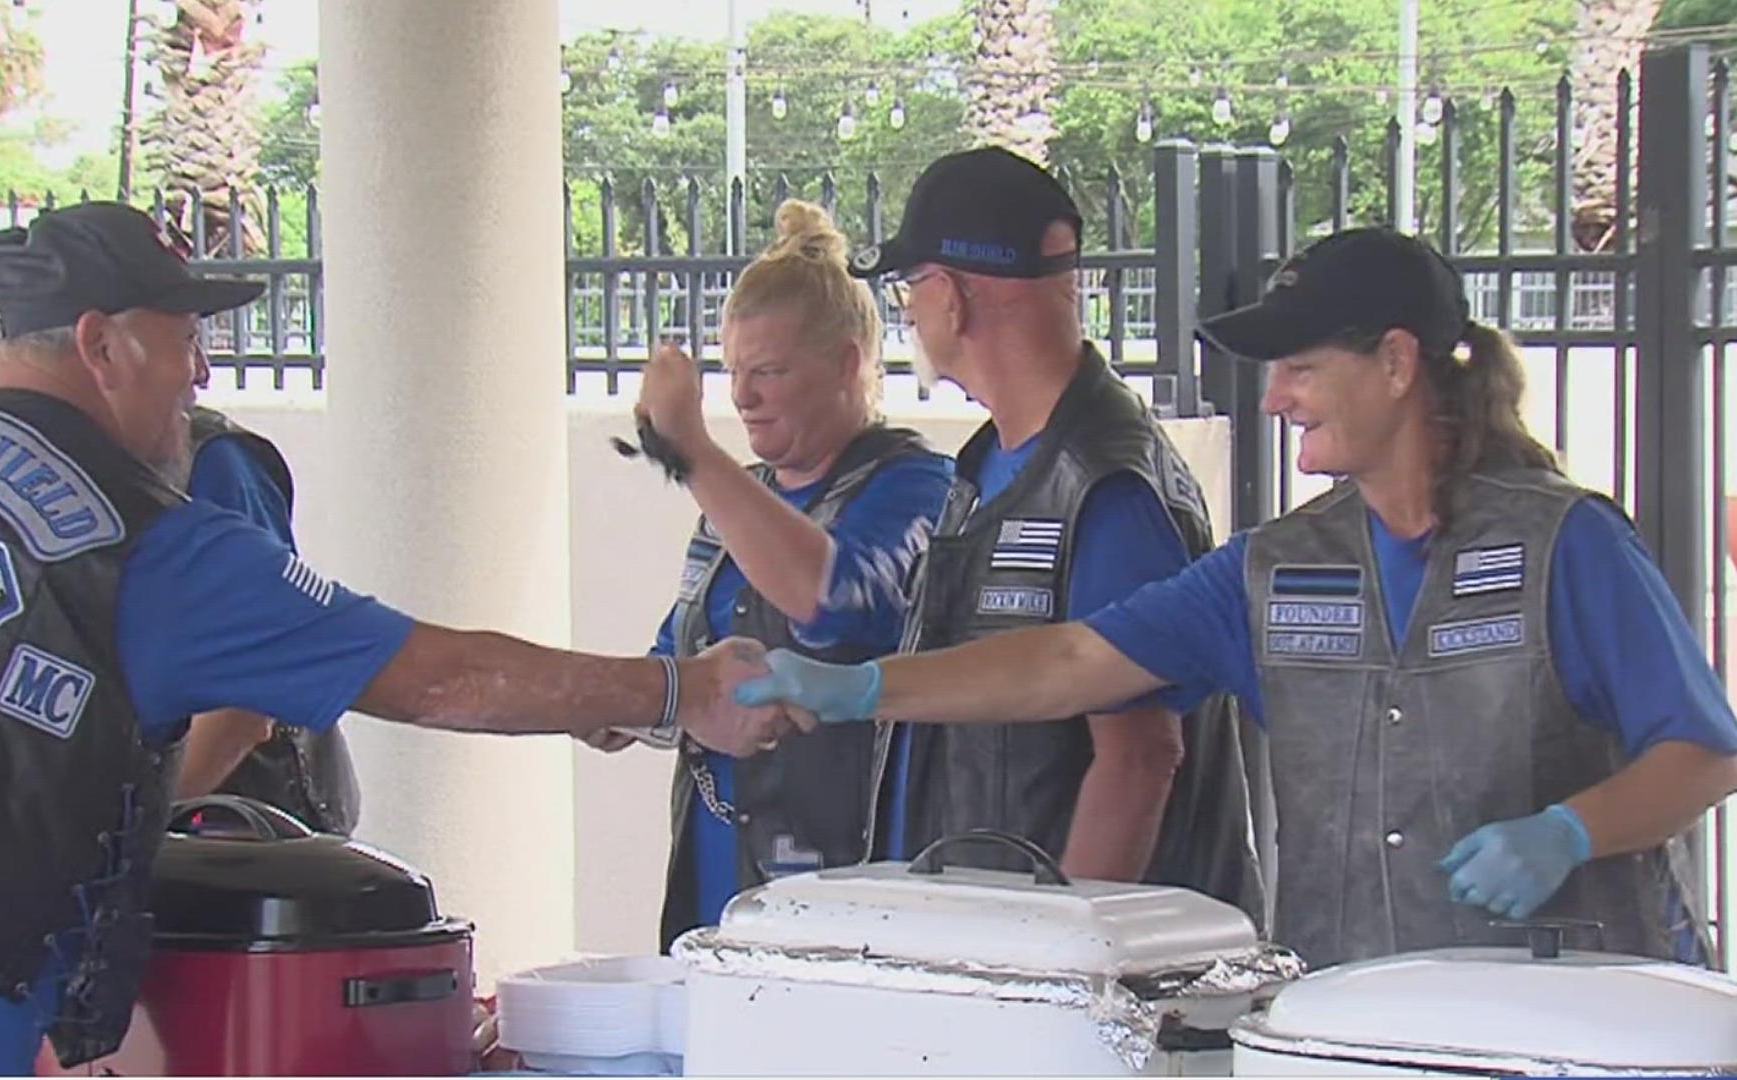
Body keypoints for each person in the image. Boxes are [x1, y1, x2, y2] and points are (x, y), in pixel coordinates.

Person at [0, 201, 798, 1076]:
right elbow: (435, 677)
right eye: (185, 338)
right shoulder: (140, 539)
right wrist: (683, 692)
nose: (200, 373)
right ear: (101, 347)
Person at [738, 225, 1737, 971]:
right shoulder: (1274, 566)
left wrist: (1570, 831)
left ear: (1395, 364)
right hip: (1358, 1023)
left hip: (1584, 1025)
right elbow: (1070, 660)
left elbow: (1702, 754)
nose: (1272, 398)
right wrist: (867, 686)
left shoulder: (1567, 543)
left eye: (1300, 368)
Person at [836, 146, 1261, 912]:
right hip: (977, 934)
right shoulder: (987, 465)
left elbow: (1139, 760)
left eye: (912, 287)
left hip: (1059, 973)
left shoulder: (1109, 485)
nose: (908, 312)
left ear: (955, 297)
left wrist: (1054, 959)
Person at [599, 200, 953, 948]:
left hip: (849, 895)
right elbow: (673, 660)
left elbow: (832, 604)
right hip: (717, 880)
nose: (742, 398)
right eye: (732, 372)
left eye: (768, 371)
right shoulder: (735, 498)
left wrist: (693, 451)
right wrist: (594, 704)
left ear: (848, 363)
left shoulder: (919, 486)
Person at [0, 227, 361, 833]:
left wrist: (105, 839)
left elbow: (246, 702)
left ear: (95, 347)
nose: (201, 371)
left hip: (233, 836)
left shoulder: (207, 460)